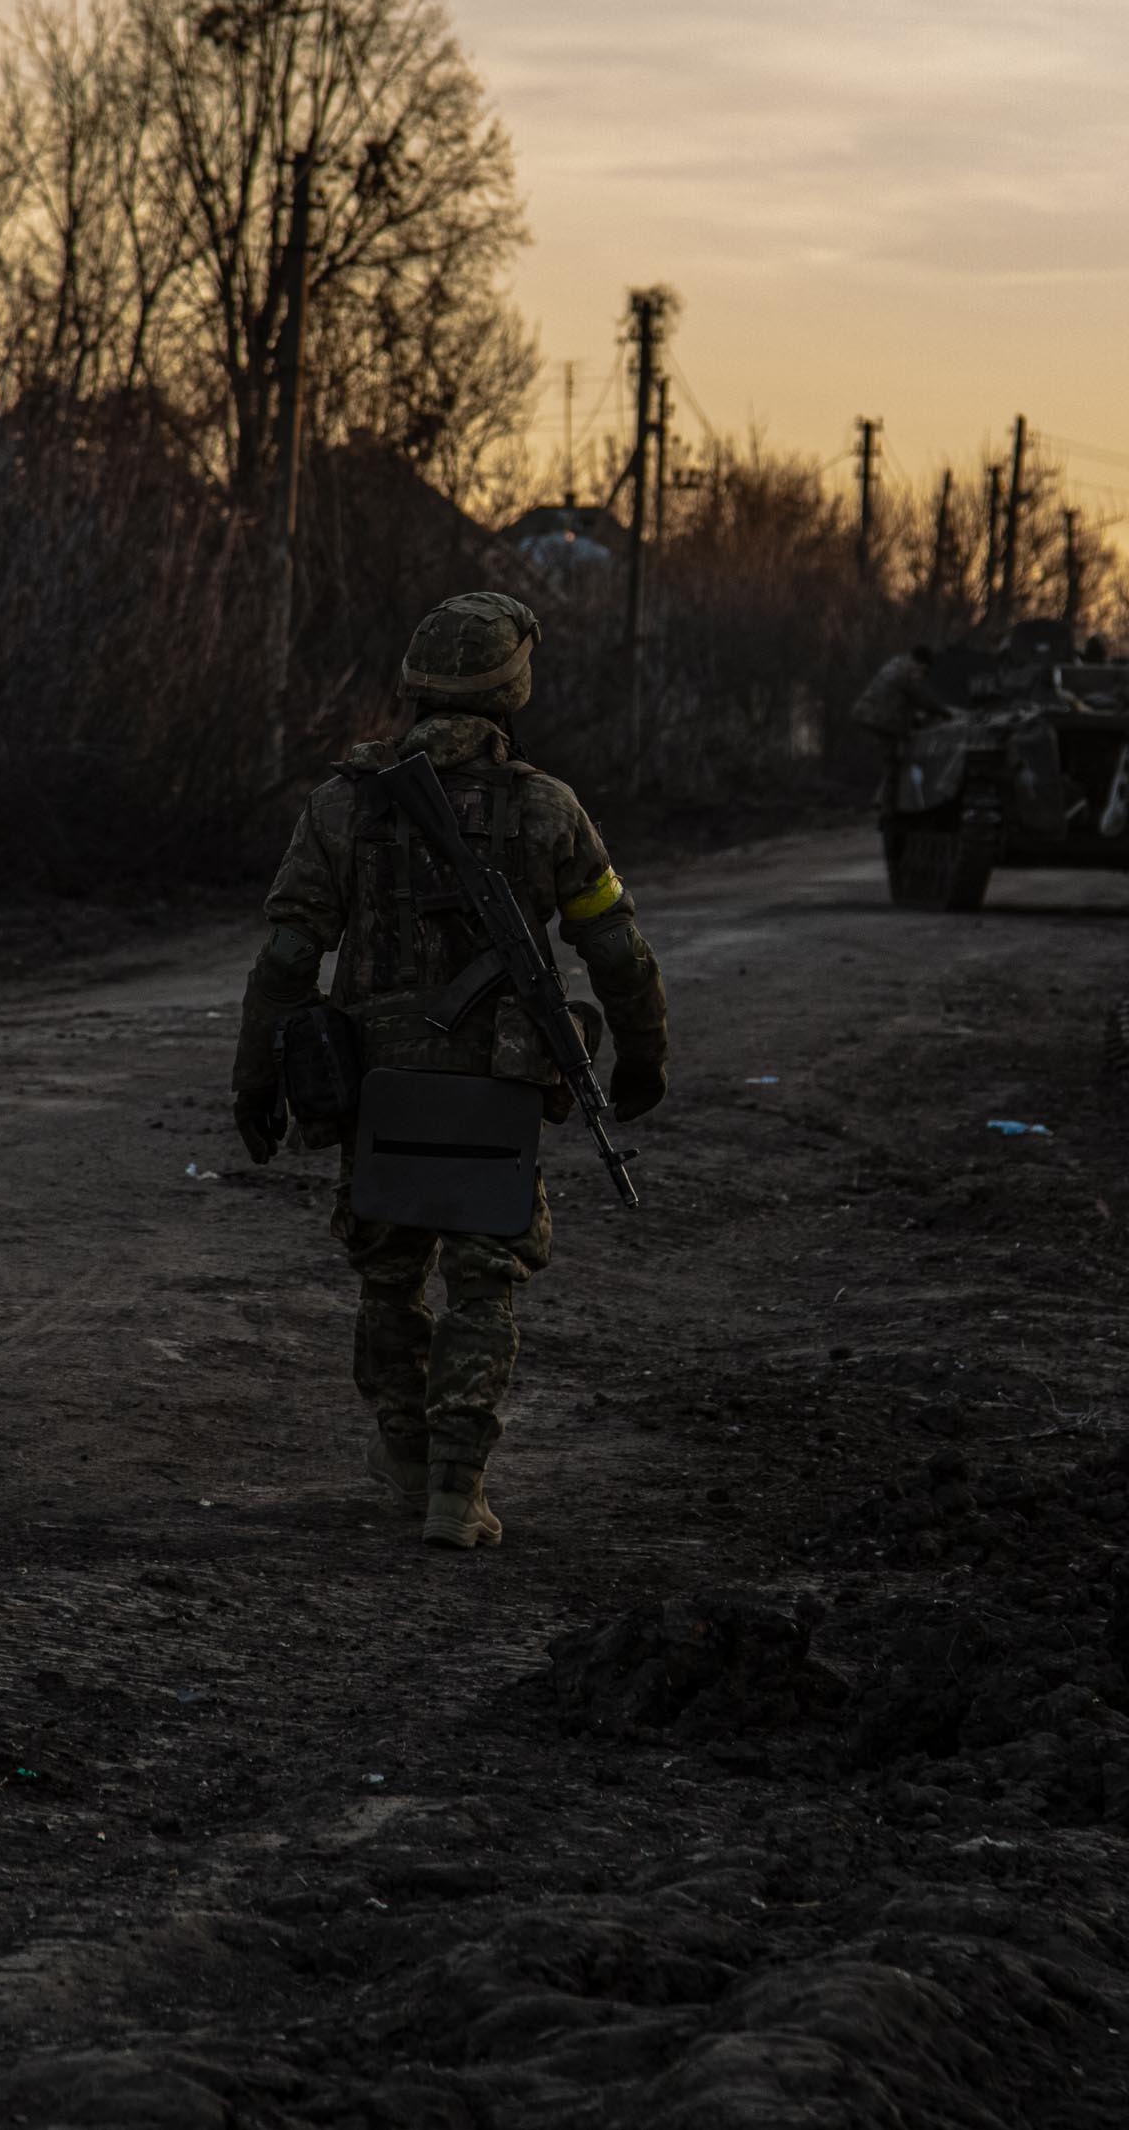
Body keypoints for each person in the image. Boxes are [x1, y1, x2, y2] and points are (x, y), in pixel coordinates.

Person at [232, 591, 669, 1549]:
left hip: (379, 1089)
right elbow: (618, 949)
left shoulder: (342, 806)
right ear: (514, 688)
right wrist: (643, 1058)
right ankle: (455, 1492)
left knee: (389, 1284)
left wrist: (252, 1081)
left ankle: (403, 1454)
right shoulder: (550, 810)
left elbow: (285, 960)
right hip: (498, 1092)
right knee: (484, 1286)